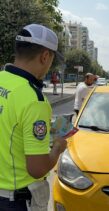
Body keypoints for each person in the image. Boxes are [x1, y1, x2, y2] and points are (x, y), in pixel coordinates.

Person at [0, 24, 67, 211]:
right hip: (15, 201)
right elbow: (37, 169)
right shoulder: (34, 100)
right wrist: (58, 148)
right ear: (45, 56)